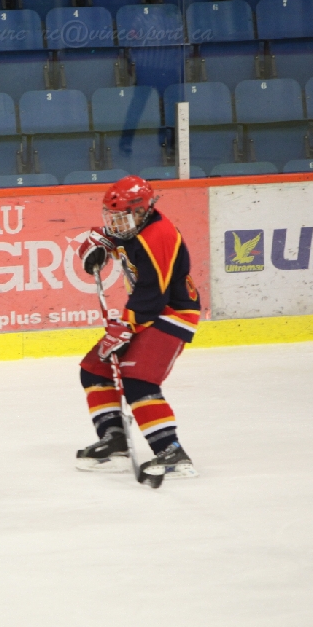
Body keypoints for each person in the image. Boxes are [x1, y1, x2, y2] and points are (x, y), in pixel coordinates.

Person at [75, 175, 200, 480]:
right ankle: (115, 440)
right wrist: (101, 242)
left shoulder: (158, 236)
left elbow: (152, 294)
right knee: (94, 369)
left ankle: (171, 451)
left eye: (121, 217)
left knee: (138, 381)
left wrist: (125, 327)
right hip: (148, 312)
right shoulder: (134, 226)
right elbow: (114, 238)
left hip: (172, 314)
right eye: (112, 217)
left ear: (142, 210)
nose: (116, 224)